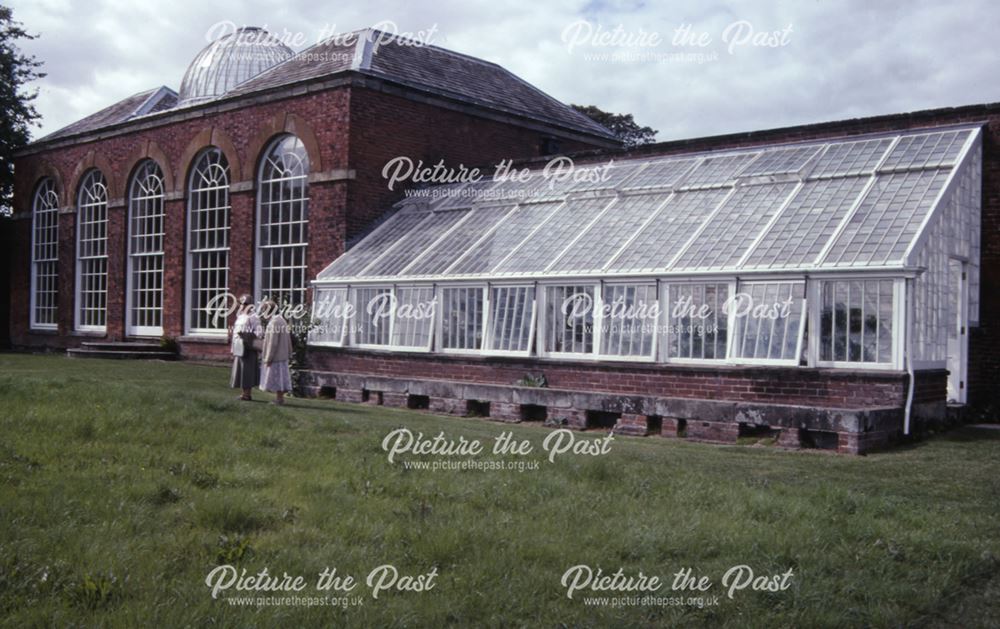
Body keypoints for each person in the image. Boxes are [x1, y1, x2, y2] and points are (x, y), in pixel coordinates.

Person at [260, 297, 293, 405]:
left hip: (277, 356)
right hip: (282, 355)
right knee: (281, 377)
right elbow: (288, 340)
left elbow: (272, 343)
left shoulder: (274, 322)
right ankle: (280, 398)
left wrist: (268, 358)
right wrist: (289, 352)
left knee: (278, 378)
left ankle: (279, 399)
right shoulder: (282, 320)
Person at [230, 295, 262, 401]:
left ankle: (247, 394)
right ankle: (243, 393)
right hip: (239, 346)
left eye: (245, 304)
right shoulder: (240, 316)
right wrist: (233, 347)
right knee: (241, 371)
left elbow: (259, 333)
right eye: (242, 304)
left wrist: (246, 336)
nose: (243, 306)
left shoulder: (254, 317)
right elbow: (235, 332)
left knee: (247, 371)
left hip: (248, 348)